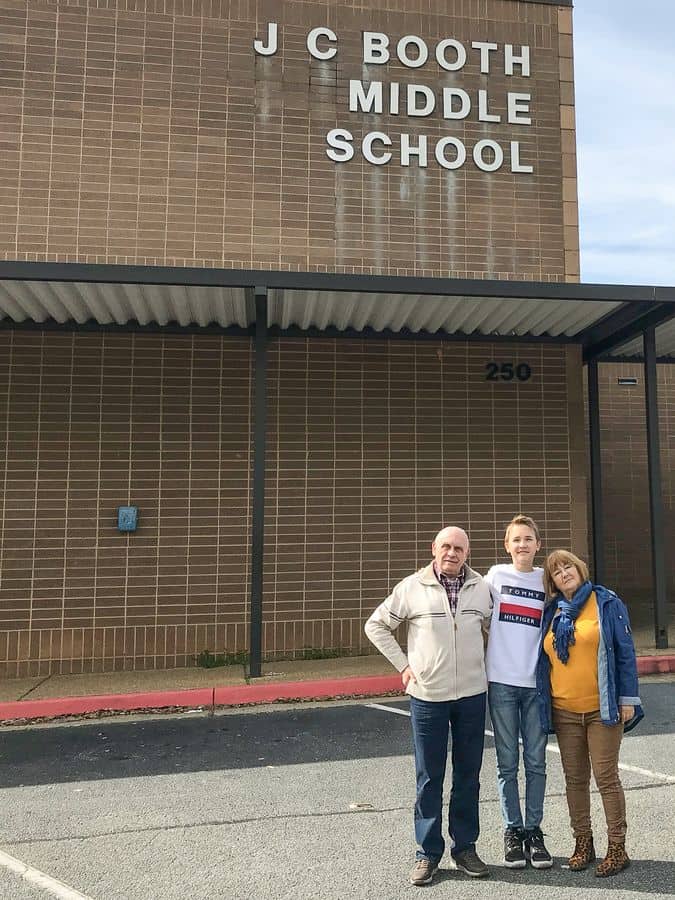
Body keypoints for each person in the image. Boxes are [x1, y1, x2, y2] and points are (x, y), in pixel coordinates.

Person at [364, 526, 493, 886]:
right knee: (429, 777)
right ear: (434, 548)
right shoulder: (412, 587)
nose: (452, 553)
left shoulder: (481, 588)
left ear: (467, 553)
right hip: (428, 698)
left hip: (471, 695)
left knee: (468, 775)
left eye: (459, 548)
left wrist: (489, 667)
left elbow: (494, 629)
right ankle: (428, 853)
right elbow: (376, 625)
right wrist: (404, 666)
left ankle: (465, 848)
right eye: (446, 546)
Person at [537, 550, 643, 877]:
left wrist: (628, 699)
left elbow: (625, 653)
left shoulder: (607, 602)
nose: (564, 573)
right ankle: (583, 843)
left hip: (603, 708)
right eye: (556, 571)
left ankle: (617, 848)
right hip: (564, 710)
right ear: (553, 582)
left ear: (580, 568)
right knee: (575, 780)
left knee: (606, 778)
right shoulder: (553, 610)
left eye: (567, 566)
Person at [484, 515, 553, 869]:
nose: (522, 544)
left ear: (538, 545)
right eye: (516, 539)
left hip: (536, 685)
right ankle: (513, 831)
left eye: (528, 539)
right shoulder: (495, 576)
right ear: (507, 545)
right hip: (502, 682)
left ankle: (534, 831)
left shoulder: (546, 580)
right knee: (507, 763)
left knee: (536, 762)